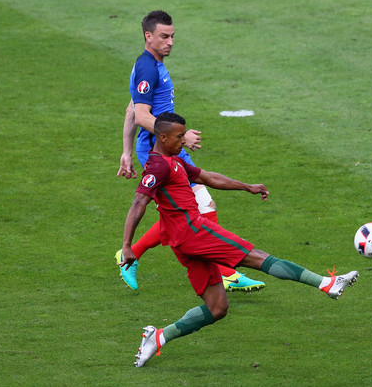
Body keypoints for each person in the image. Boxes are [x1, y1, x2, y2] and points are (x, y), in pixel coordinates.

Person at [119, 112, 359, 368]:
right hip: (194, 232)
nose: (184, 140)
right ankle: (326, 283)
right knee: (256, 257)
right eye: (179, 137)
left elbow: (208, 178)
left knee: (217, 308)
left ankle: (159, 337)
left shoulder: (174, 160)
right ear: (163, 137)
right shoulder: (158, 166)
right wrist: (127, 246)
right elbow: (138, 202)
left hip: (183, 242)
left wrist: (247, 186)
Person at [115, 10, 265, 292]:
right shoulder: (148, 68)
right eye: (164, 36)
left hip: (166, 147)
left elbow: (131, 109)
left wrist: (125, 151)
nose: (170, 42)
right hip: (160, 151)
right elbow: (142, 115)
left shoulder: (150, 65)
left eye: (172, 36)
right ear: (148, 36)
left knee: (183, 213)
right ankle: (226, 272)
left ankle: (131, 254)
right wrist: (181, 138)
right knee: (201, 207)